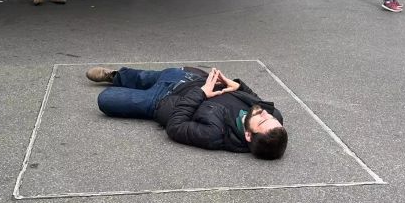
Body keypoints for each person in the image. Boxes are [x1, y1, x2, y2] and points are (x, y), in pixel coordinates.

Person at [86, 66, 288, 159]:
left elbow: (176, 126)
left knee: (106, 99)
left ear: (248, 135)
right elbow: (256, 101)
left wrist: (201, 94)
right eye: (270, 117)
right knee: (141, 76)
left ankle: (118, 84)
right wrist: (238, 86)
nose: (264, 113)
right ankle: (114, 75)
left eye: (262, 120)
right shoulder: (273, 116)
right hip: (188, 78)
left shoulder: (215, 135)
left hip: (162, 100)